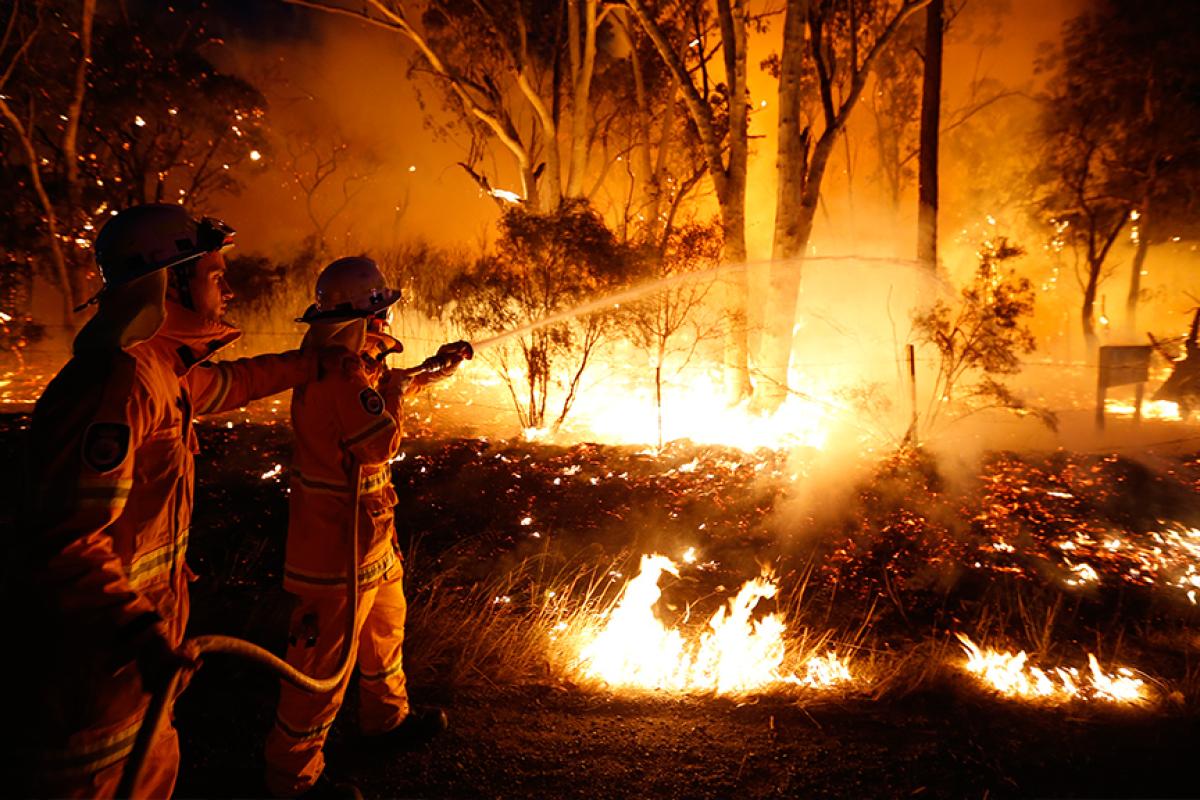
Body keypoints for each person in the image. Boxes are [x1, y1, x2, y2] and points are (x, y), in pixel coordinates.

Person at [6, 204, 352, 799]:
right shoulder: (121, 384)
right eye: (215, 275)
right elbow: (64, 541)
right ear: (169, 281)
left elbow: (236, 383)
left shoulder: (161, 369)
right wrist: (141, 631)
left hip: (136, 669)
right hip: (94, 674)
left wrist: (315, 362)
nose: (228, 287)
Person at [265, 256, 467, 799]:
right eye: (382, 313)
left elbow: (384, 388)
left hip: (369, 541)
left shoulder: (353, 366)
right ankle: (293, 778)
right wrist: (402, 390)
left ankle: (386, 722)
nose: (388, 324)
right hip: (333, 551)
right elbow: (379, 439)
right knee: (320, 667)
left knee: (385, 636)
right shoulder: (340, 371)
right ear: (364, 318)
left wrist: (434, 370)